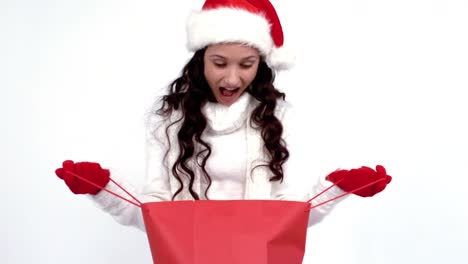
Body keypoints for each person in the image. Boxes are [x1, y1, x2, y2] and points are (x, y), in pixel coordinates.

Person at [55, 0, 392, 232]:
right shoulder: (169, 119)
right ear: (200, 60)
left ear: (261, 65)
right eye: (219, 63)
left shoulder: (278, 119)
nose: (232, 79)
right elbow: (155, 216)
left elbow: (291, 214)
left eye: (246, 65)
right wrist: (103, 189)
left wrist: (336, 189)